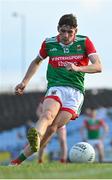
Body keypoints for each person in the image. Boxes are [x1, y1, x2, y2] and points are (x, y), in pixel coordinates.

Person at [10, 13, 102, 165]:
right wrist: (24, 82)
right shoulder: (49, 43)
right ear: (58, 29)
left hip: (75, 92)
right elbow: (36, 61)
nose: (65, 35)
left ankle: (21, 157)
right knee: (47, 115)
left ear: (76, 31)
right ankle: (33, 140)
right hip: (56, 87)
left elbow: (98, 66)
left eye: (70, 32)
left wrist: (78, 68)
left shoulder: (84, 42)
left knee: (53, 128)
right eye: (63, 31)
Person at [36, 99, 67, 163]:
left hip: (59, 123)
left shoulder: (64, 97)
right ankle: (40, 160)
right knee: (44, 142)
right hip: (49, 123)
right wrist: (44, 118)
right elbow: (38, 111)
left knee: (62, 140)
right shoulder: (46, 98)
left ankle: (63, 160)